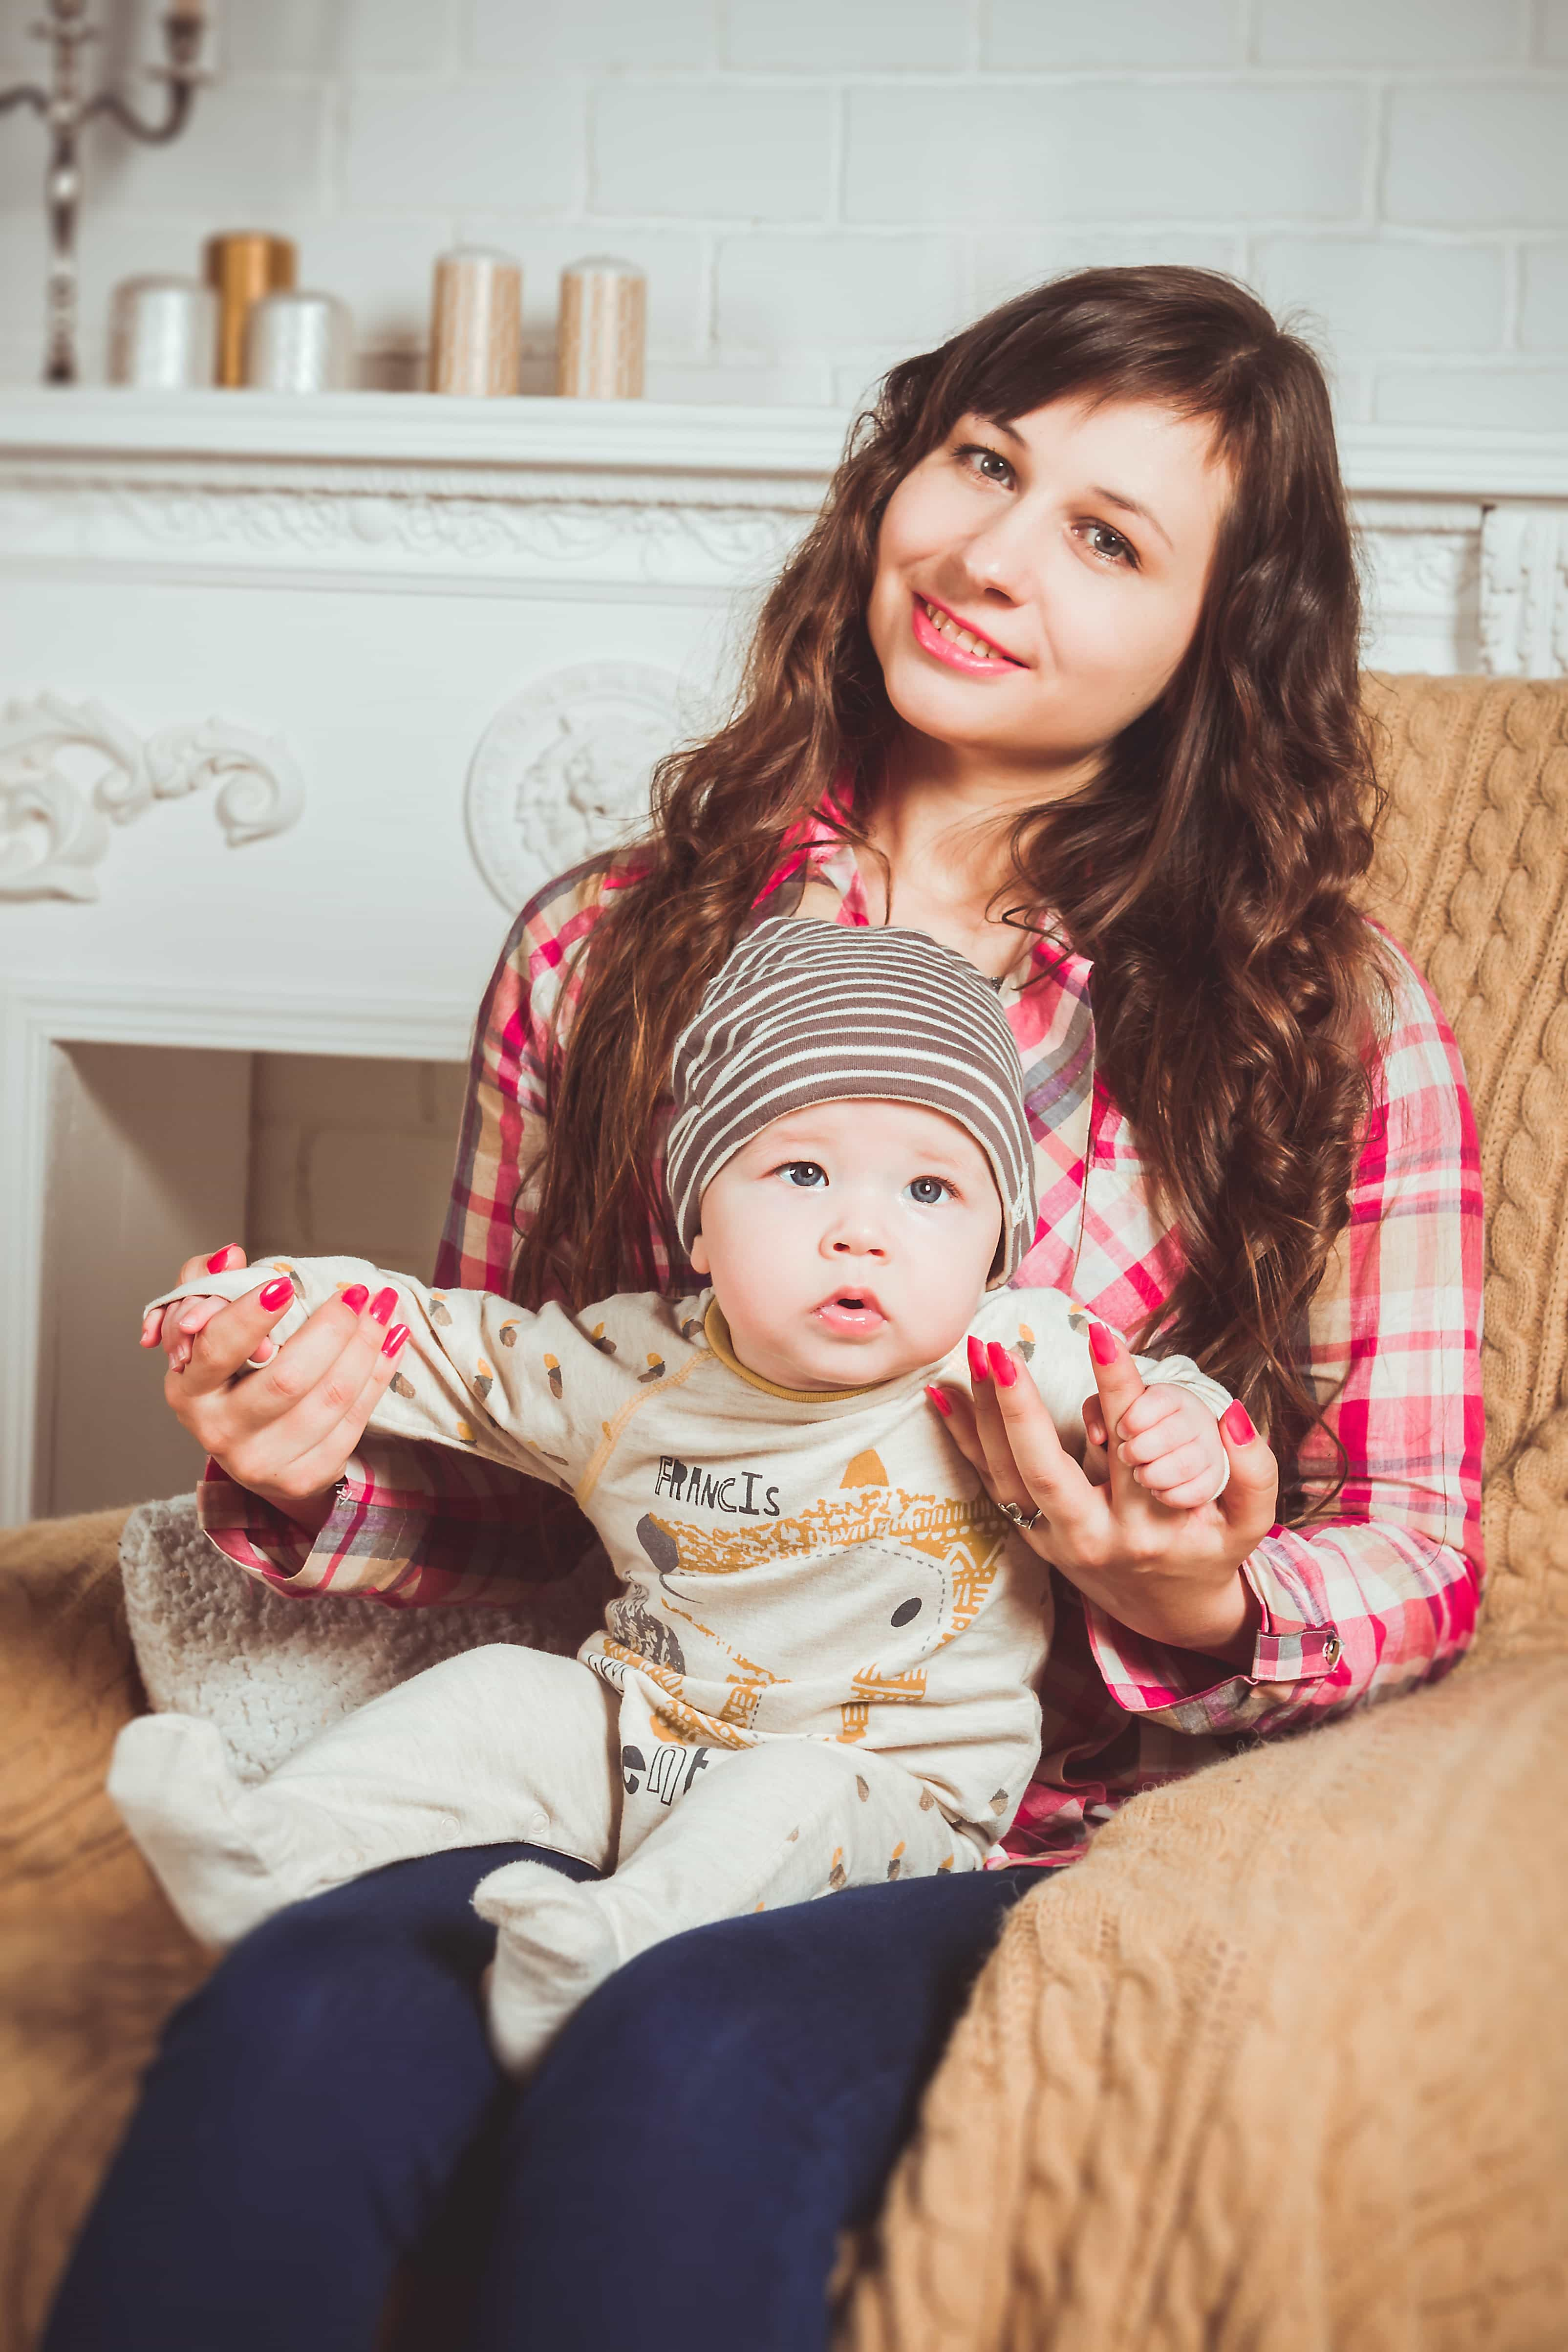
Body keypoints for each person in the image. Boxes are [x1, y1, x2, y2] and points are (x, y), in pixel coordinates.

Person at [47, 268, 1482, 2352]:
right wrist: (308, 1458)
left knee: (682, 2068)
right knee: (297, 2028)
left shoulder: (1322, 1015)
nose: (992, 553)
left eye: (1106, 534)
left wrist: (1194, 1596)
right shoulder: (605, 948)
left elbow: (1420, 1540)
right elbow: (544, 1468)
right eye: (981, 462)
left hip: (980, 1814)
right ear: (898, 468)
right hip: (636, 1733)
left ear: (1215, 637)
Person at [114, 917, 1233, 2070]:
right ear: (699, 1221)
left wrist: (1177, 1433)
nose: (861, 1232)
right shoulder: (630, 1366)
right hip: (641, 1740)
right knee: (501, 1689)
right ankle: (271, 1847)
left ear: (999, 1240)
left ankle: (607, 1947)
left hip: (884, 1800)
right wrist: (275, 1304)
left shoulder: (1012, 1356)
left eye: (931, 1189)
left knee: (788, 1790)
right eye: (800, 1173)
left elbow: (1146, 1395)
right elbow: (441, 1342)